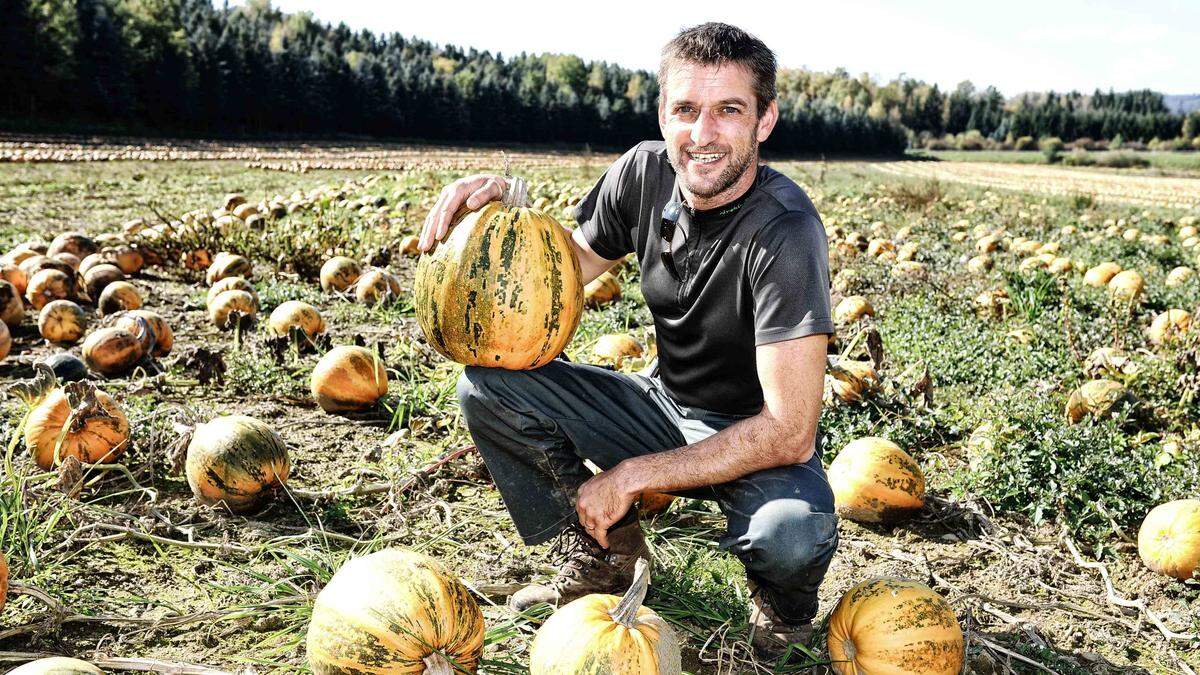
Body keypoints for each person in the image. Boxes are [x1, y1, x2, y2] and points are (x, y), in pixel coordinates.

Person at [417, 22, 837, 658]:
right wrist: (504, 209)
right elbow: (559, 271)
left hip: (756, 432)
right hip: (663, 408)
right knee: (488, 388)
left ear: (765, 120)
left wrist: (634, 475)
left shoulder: (786, 231)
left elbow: (789, 430)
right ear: (662, 114)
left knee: (792, 533)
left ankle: (783, 613)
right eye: (686, 109)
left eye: (729, 110)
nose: (703, 134)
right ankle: (604, 557)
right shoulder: (642, 173)